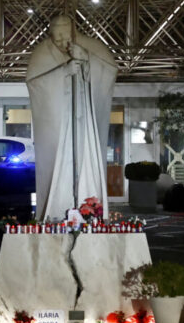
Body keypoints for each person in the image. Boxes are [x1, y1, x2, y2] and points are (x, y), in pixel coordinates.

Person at [26, 14, 118, 221]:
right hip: (59, 123)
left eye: (64, 37)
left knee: (86, 157)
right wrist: (63, 72)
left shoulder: (91, 46)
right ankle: (56, 212)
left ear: (73, 31)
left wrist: (87, 59)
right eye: (56, 39)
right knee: (58, 163)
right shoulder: (42, 51)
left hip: (84, 121)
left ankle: (89, 209)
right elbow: (34, 82)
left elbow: (110, 70)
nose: (61, 43)